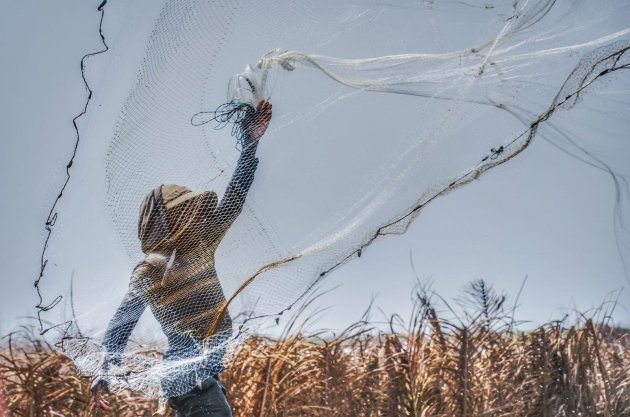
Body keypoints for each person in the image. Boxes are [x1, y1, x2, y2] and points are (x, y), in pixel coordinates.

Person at [91, 100, 272, 416]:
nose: (196, 218)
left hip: (193, 379)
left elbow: (233, 200)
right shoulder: (154, 268)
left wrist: (251, 144)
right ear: (171, 222)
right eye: (186, 214)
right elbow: (123, 322)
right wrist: (105, 369)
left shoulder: (198, 247)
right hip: (192, 382)